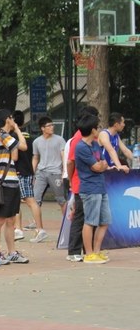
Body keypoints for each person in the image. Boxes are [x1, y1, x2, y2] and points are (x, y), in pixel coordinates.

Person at [0, 109, 30, 264]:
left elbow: (16, 153)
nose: (14, 121)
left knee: (11, 219)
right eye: (12, 118)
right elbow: (23, 146)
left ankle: (12, 252)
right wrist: (18, 129)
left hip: (12, 181)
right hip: (4, 182)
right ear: (8, 119)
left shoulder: (4, 135)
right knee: (0, 219)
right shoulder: (2, 135)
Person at [74, 113, 111, 264]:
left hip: (101, 187)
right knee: (90, 221)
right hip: (89, 189)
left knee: (105, 221)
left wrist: (100, 165)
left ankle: (97, 251)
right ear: (93, 130)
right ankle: (88, 254)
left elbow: (104, 163)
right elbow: (97, 166)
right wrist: (99, 166)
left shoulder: (95, 145)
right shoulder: (81, 147)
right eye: (97, 127)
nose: (99, 130)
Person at [66, 106, 99, 262]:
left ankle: (88, 250)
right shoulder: (79, 138)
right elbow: (70, 162)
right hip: (81, 183)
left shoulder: (92, 138)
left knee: (89, 217)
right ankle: (73, 250)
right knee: (80, 217)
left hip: (89, 182)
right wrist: (71, 181)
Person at [30, 116, 67, 243]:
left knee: (61, 200)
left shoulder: (60, 140)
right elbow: (35, 157)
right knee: (35, 200)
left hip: (55, 172)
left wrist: (64, 171)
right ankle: (39, 230)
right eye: (49, 125)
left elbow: (63, 156)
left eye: (52, 125)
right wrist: (32, 173)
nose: (52, 127)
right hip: (41, 172)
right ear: (42, 128)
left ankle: (67, 227)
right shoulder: (36, 142)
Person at [11, 111, 41, 241]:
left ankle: (39, 229)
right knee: (16, 201)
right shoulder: (29, 136)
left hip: (20, 172)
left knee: (30, 201)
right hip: (27, 171)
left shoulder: (14, 136)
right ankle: (18, 229)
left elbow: (15, 157)